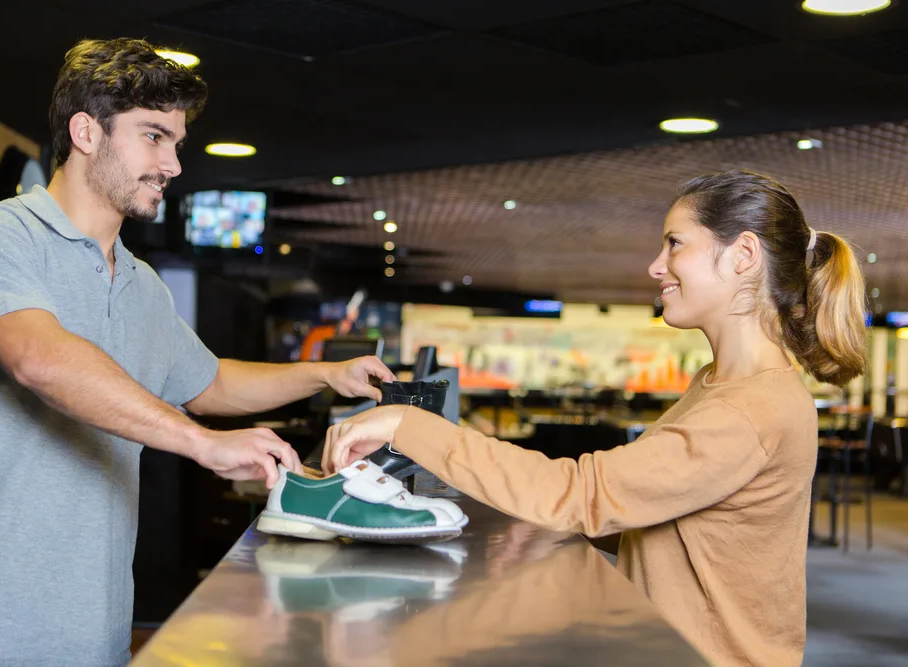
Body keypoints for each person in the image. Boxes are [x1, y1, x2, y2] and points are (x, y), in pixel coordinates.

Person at [0, 38, 394, 666]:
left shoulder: (140, 283)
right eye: (153, 136)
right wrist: (203, 443)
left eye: (176, 143)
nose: (174, 165)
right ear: (86, 132)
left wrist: (326, 372)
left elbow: (209, 381)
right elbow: (41, 360)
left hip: (96, 630)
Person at [324, 169, 867, 667]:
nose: (657, 265)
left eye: (675, 243)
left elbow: (588, 494)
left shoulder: (751, 408)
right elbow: (670, 519)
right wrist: (558, 528)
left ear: (742, 254)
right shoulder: (719, 383)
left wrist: (407, 425)